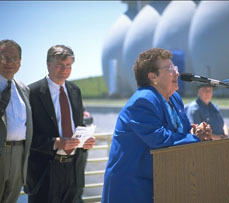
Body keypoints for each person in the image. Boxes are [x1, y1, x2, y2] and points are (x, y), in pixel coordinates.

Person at [101, 48, 212, 203]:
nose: (177, 73)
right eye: (170, 69)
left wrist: (197, 131)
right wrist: (194, 137)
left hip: (162, 181)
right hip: (132, 186)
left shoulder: (175, 98)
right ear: (153, 76)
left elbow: (183, 130)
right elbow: (160, 139)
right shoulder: (143, 101)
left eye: (176, 68)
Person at [25, 45, 96, 203]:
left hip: (74, 169)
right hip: (45, 171)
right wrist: (55, 143)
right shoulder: (32, 92)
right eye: (60, 65)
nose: (64, 69)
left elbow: (78, 125)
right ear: (48, 64)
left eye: (68, 65)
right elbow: (26, 135)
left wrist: (85, 140)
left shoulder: (75, 90)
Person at [0, 39, 32, 203]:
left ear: (20, 62)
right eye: (4, 58)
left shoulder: (23, 89)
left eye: (14, 59)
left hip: (19, 154)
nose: (9, 63)